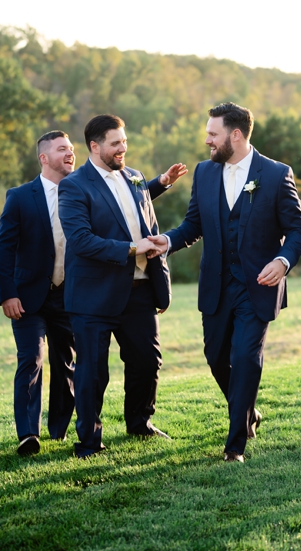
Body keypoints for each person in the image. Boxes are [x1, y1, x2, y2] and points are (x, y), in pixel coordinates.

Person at [152, 102, 301, 463]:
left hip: (259, 285)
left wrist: (283, 262)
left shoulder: (275, 173)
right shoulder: (205, 173)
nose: (207, 140)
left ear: (235, 135)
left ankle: (235, 442)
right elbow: (194, 225)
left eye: (212, 134)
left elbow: (298, 230)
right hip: (216, 285)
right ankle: (248, 409)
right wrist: (170, 240)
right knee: (216, 357)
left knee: (245, 356)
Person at [57, 114, 185, 458]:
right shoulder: (73, 185)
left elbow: (129, 206)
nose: (122, 149)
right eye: (115, 143)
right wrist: (131, 248)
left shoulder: (135, 177)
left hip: (141, 289)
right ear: (94, 146)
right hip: (93, 295)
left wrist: (162, 183)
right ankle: (89, 440)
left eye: (124, 142)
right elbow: (81, 240)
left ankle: (139, 423)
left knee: (147, 361)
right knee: (93, 372)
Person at [0, 131, 78, 457]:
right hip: (28, 297)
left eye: (71, 149)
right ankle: (28, 434)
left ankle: (57, 430)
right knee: (31, 360)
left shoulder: (81, 191)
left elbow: (122, 199)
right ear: (44, 158)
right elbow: (4, 249)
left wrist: (159, 184)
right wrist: (7, 294)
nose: (70, 154)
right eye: (62, 150)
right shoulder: (20, 196)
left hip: (68, 296)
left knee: (66, 364)